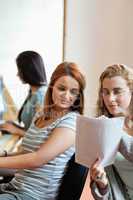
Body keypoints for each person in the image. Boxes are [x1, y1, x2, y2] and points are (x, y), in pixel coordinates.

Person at [0, 62, 85, 200]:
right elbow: (27, 152)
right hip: (15, 187)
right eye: (62, 88)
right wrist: (4, 154)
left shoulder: (72, 121)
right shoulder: (41, 114)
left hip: (33, 195)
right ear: (52, 87)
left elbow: (37, 159)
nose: (66, 95)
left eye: (73, 91)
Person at [90, 64, 133, 200]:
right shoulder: (101, 129)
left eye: (117, 91)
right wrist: (102, 184)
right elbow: (106, 196)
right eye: (105, 92)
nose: (110, 98)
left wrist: (116, 135)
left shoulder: (109, 131)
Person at [0, 50, 47, 137]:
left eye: (20, 70)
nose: (17, 74)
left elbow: (40, 137)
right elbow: (31, 128)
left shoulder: (41, 95)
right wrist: (14, 126)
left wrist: (16, 130)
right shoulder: (33, 93)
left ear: (28, 71)